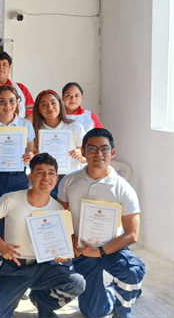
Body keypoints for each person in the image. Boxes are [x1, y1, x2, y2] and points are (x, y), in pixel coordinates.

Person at [0, 153, 86, 318]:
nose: (46, 177)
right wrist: (1, 245)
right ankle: (0, 296)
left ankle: (42, 302)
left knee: (76, 282)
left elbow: (63, 244)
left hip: (44, 266)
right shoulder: (11, 199)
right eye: (40, 172)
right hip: (16, 267)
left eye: (51, 173)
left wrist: (62, 255)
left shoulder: (59, 209)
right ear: (30, 176)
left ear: (57, 178)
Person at [58, 128, 145, 318]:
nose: (99, 154)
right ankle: (112, 290)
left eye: (104, 149)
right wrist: (71, 238)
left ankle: (124, 307)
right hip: (81, 251)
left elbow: (132, 233)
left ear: (112, 152)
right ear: (83, 151)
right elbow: (61, 215)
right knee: (93, 312)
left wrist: (101, 251)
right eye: (92, 149)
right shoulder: (68, 181)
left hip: (111, 249)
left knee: (133, 270)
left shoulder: (124, 189)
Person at [0, 85, 36, 241]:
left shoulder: (26, 125)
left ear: (17, 102)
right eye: (2, 102)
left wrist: (30, 157)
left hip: (19, 177)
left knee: (17, 217)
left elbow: (32, 154)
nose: (8, 106)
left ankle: (16, 251)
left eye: (12, 101)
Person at [32, 90, 86, 199]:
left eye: (53, 103)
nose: (50, 107)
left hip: (72, 179)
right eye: (44, 105)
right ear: (38, 109)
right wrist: (34, 156)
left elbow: (86, 159)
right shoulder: (35, 130)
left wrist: (80, 156)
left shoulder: (75, 127)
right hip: (46, 180)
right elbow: (29, 159)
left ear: (60, 104)